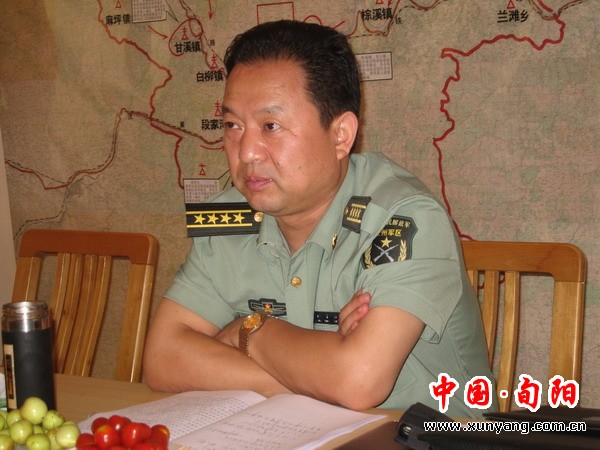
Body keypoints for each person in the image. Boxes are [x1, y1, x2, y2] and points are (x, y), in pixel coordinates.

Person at [143, 19, 495, 418]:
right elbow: (162, 357)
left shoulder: (404, 219)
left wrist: (251, 330)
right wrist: (316, 381)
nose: (246, 152)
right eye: (232, 126)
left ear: (341, 134)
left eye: (271, 126)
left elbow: (357, 380)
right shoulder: (229, 219)